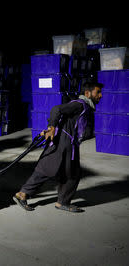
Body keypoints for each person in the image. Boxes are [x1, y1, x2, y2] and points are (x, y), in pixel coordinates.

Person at [13, 82, 103, 213]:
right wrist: (51, 127)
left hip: (70, 144)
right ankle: (23, 194)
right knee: (48, 169)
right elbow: (57, 109)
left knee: (71, 174)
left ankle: (62, 202)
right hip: (62, 142)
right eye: (98, 92)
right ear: (88, 93)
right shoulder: (79, 104)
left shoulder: (87, 108)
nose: (100, 95)